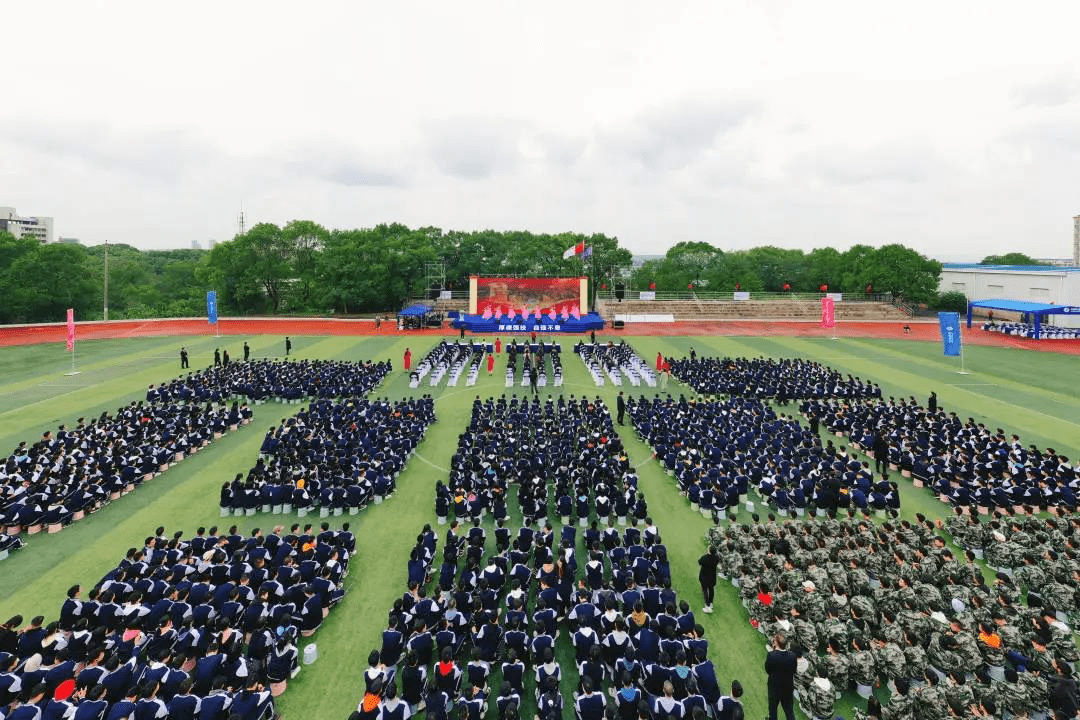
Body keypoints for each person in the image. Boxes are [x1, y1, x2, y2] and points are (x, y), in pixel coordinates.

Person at [764, 634, 797, 720]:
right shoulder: (792, 656)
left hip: (774, 687)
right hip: (788, 687)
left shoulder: (771, 655)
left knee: (773, 710)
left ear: (776, 643)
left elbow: (768, 670)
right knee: (789, 711)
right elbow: (794, 670)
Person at [697, 546, 719, 614]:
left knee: (705, 590)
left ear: (709, 551)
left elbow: (700, 562)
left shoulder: (705, 558)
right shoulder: (716, 558)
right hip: (712, 577)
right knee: (711, 589)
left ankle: (707, 605)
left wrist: (706, 555)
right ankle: (711, 602)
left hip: (704, 576)